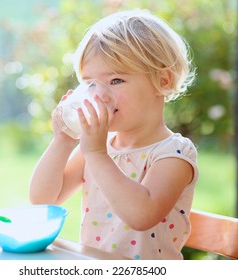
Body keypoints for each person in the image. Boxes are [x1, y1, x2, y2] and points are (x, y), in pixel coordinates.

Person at [29, 9, 199, 260]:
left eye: (116, 80)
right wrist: (62, 142)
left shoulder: (173, 154)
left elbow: (141, 215)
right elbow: (43, 200)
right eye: (90, 84)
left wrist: (97, 154)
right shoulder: (97, 147)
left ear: (163, 81)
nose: (99, 95)